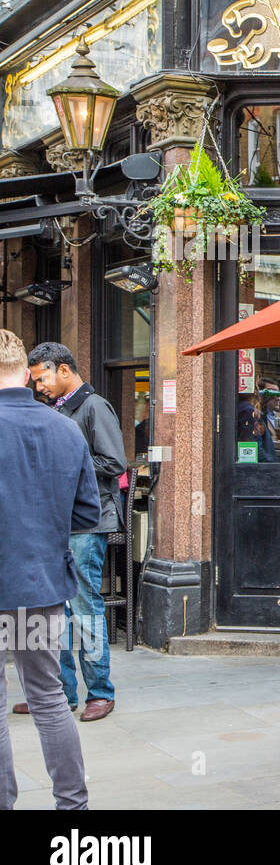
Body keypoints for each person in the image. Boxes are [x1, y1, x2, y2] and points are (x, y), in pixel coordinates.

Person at [0, 330, 97, 809]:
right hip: (41, 585)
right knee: (48, 697)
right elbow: (86, 515)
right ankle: (72, 806)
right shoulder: (66, 429)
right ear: (24, 373)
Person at [25, 342, 127, 723]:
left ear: (63, 370)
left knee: (84, 608)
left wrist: (63, 462)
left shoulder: (95, 406)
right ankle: (62, 694)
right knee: (58, 612)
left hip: (88, 523)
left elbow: (114, 462)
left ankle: (100, 693)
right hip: (57, 523)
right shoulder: (55, 408)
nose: (38, 387)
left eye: (42, 378)